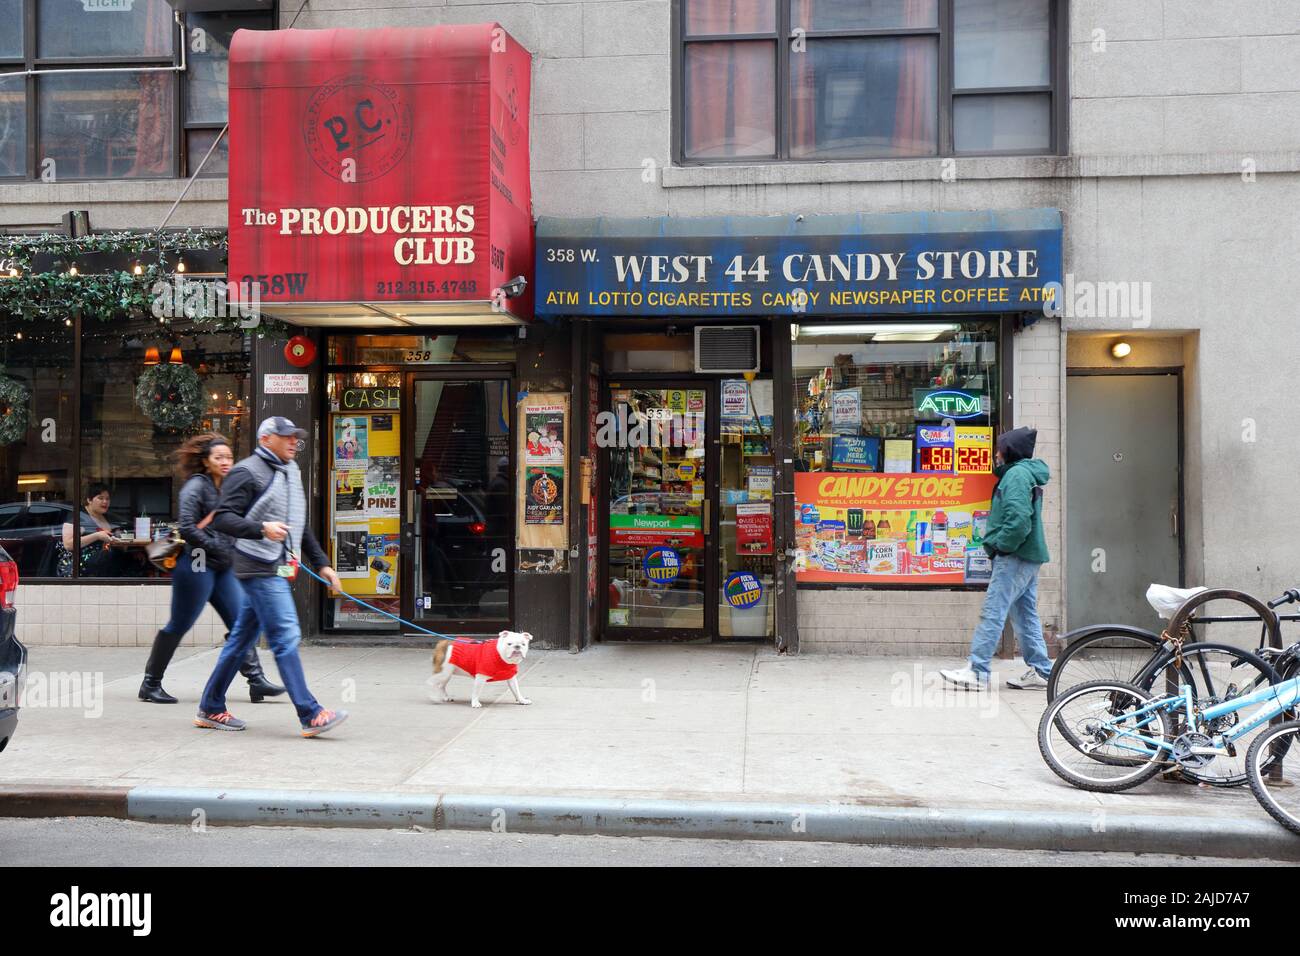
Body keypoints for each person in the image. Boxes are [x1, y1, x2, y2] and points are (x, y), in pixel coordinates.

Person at [195, 417, 348, 736]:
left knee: (241, 640)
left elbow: (298, 523)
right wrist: (261, 528)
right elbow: (222, 519)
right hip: (256, 566)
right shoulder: (246, 472)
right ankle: (310, 713)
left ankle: (210, 706)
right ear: (266, 439)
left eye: (296, 436)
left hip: (274, 564)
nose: (294, 441)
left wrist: (322, 563)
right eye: (286, 436)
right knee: (285, 635)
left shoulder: (290, 471)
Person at [138, 433, 286, 705]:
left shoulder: (229, 486)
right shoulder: (197, 486)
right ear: (206, 461)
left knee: (241, 622)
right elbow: (186, 526)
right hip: (196, 564)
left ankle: (256, 681)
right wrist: (219, 548)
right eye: (219, 457)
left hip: (222, 566)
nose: (225, 462)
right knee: (180, 624)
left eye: (229, 457)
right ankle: (150, 684)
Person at [940, 426, 1053, 691]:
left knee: (993, 610)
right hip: (1027, 556)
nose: (995, 454)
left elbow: (1018, 520)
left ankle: (978, 671)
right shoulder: (1024, 473)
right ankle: (1043, 672)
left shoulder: (1015, 476)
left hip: (1014, 556)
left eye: (999, 448)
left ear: (1008, 451)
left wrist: (1001, 546)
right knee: (1025, 614)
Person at [59, 483, 121, 578]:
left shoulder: (107, 517)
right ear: (89, 500)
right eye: (100, 498)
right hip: (81, 573)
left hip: (104, 570)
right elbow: (68, 544)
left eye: (107, 499)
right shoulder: (78, 517)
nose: (105, 502)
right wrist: (97, 536)